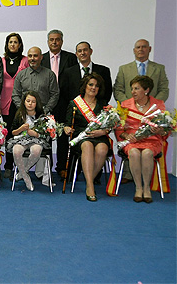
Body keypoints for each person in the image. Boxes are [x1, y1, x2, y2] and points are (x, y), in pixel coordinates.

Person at [113, 39, 169, 184]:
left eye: (144, 47)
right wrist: (130, 105)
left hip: (151, 119)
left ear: (149, 49)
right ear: (134, 50)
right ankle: (128, 174)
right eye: (138, 47)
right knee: (132, 148)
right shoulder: (124, 69)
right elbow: (118, 89)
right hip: (130, 117)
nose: (141, 49)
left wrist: (152, 107)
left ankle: (145, 185)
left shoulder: (159, 68)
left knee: (146, 152)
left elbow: (164, 89)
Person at [115, 76, 168, 203]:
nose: (133, 91)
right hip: (132, 141)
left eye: (136, 88)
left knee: (147, 153)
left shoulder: (158, 105)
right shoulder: (125, 105)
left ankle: (146, 188)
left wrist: (159, 130)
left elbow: (165, 129)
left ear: (146, 90)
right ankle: (138, 188)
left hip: (152, 140)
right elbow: (118, 128)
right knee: (134, 153)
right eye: (132, 88)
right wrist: (126, 136)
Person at [12, 47, 59, 187]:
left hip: (43, 117)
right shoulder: (21, 75)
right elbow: (15, 94)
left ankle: (40, 174)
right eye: (30, 56)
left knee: (41, 147)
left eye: (35, 56)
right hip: (24, 116)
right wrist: (22, 109)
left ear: (41, 57)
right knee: (19, 148)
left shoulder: (49, 74)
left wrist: (44, 111)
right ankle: (25, 172)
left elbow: (55, 94)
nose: (32, 58)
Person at [63, 73, 110, 202]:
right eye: (91, 85)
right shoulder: (74, 103)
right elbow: (67, 124)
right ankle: (90, 186)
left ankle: (89, 179)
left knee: (102, 149)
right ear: (84, 86)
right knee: (88, 146)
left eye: (96, 86)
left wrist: (103, 132)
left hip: (99, 136)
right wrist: (66, 128)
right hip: (81, 136)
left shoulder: (103, 104)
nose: (93, 88)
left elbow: (108, 125)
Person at [40, 29, 77, 180]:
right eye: (51, 40)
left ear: (61, 41)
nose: (54, 42)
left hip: (64, 104)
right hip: (46, 104)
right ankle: (45, 169)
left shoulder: (70, 58)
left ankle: (62, 167)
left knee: (62, 137)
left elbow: (74, 81)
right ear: (48, 41)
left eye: (57, 39)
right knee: (45, 137)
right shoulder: (41, 58)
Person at [0, 32, 29, 178]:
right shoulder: (1, 60)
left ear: (20, 44)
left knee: (21, 134)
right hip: (5, 102)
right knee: (9, 134)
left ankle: (22, 166)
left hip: (21, 102)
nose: (13, 44)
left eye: (15, 42)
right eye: (10, 42)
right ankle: (8, 166)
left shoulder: (25, 60)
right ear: (7, 44)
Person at [7, 91, 49, 191]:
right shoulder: (19, 114)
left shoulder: (41, 115)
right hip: (21, 139)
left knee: (36, 151)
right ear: (24, 102)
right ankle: (26, 178)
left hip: (36, 140)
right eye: (28, 101)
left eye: (33, 101)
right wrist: (20, 129)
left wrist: (36, 134)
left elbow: (46, 134)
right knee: (16, 151)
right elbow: (13, 132)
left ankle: (22, 172)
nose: (30, 104)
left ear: (37, 103)